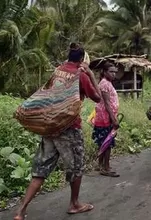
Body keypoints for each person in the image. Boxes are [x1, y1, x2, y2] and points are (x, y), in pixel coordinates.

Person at [14, 43, 101, 220]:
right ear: (83, 60)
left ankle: (21, 211)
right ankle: (74, 204)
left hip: (50, 127)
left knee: (40, 170)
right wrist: (90, 74)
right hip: (69, 129)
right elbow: (97, 97)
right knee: (76, 167)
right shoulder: (81, 75)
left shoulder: (57, 71)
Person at [92, 62, 120, 177]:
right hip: (105, 119)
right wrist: (114, 120)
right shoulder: (104, 84)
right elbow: (107, 104)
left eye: (114, 72)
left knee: (103, 142)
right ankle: (106, 168)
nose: (114, 74)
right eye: (111, 72)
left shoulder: (107, 83)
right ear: (104, 72)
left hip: (105, 117)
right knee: (107, 143)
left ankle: (101, 165)